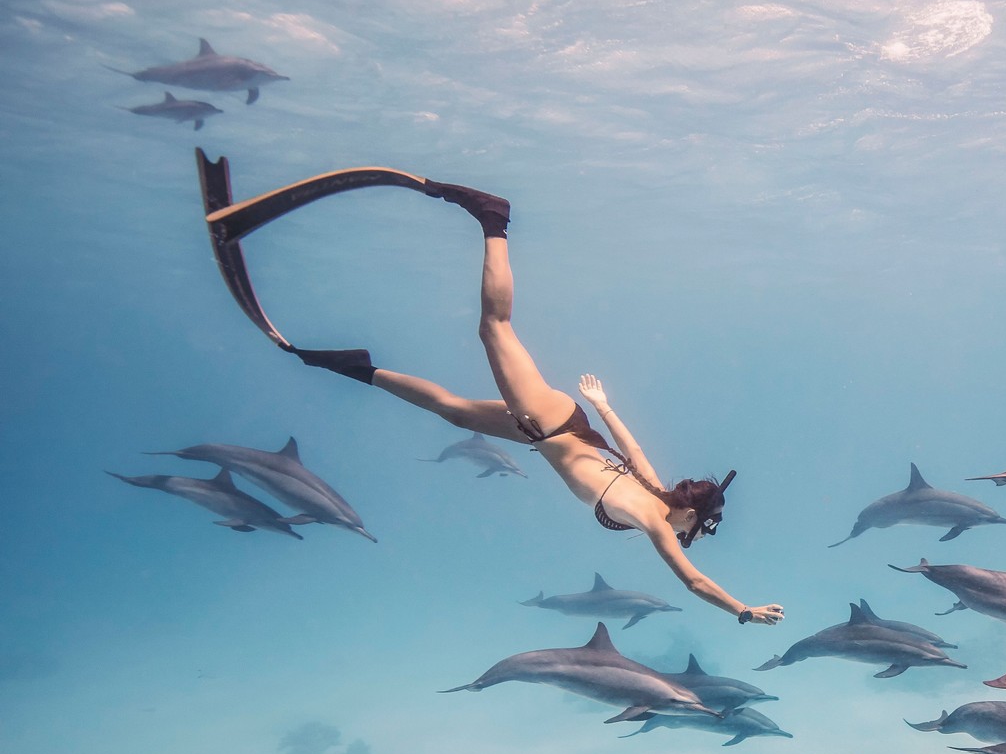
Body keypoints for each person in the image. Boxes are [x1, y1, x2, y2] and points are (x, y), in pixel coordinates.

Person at [265, 180, 783, 625]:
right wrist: (742, 609)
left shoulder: (652, 487)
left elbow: (627, 442)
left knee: (450, 410)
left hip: (548, 429)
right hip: (552, 422)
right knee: (494, 327)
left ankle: (357, 367)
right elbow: (692, 582)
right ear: (691, 514)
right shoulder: (654, 517)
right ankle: (494, 219)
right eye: (699, 528)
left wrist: (602, 404)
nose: (692, 537)